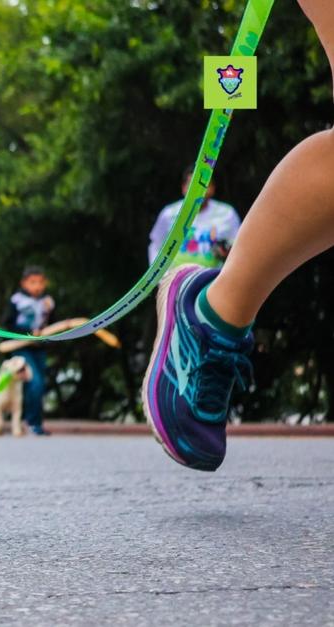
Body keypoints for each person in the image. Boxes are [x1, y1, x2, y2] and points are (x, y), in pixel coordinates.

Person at [143, 0, 334, 472]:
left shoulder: (225, 213)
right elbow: (156, 243)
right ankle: (211, 314)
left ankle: (214, 305)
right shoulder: (173, 213)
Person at [148, 166, 242, 268]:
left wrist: (226, 254)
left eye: (205, 184)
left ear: (213, 188)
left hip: (214, 281)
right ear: (183, 188)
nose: (199, 190)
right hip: (176, 281)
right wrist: (162, 277)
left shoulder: (227, 213)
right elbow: (155, 245)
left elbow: (239, 248)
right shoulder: (169, 213)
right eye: (194, 185)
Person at [2, 267, 55, 436]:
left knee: (39, 385)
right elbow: (7, 324)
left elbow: (52, 326)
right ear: (24, 283)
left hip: (39, 348)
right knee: (35, 382)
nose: (37, 286)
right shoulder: (16, 300)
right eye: (33, 282)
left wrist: (49, 312)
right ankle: (30, 422)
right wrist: (27, 333)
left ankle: (35, 423)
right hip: (20, 348)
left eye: (40, 282)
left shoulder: (47, 301)